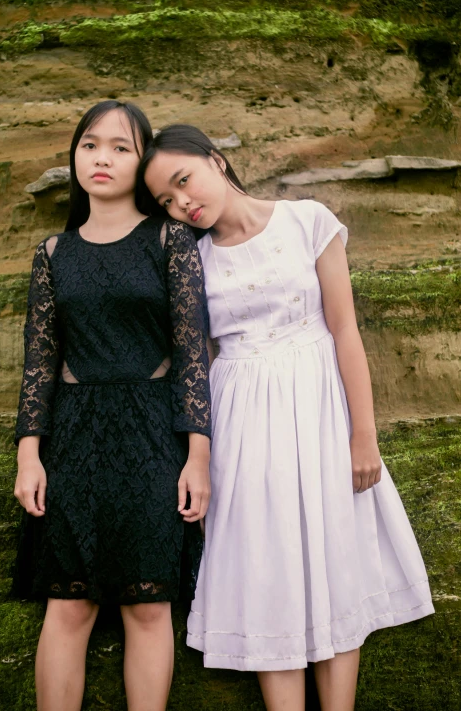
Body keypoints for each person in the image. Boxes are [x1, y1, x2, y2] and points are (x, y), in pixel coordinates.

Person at [137, 124, 434, 711]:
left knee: (333, 555)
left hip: (318, 403)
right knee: (264, 560)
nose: (182, 203)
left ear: (215, 160)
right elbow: (196, 359)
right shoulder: (190, 260)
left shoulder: (307, 220)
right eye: (167, 202)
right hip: (242, 418)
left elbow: (345, 331)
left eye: (183, 182)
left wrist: (363, 434)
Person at [12, 103, 211, 711]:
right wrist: (29, 456)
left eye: (121, 148)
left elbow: (192, 354)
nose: (102, 157)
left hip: (153, 436)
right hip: (71, 440)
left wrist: (197, 455)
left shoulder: (169, 239)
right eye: (91, 145)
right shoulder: (53, 253)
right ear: (75, 157)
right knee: (68, 604)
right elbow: (39, 364)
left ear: (142, 160)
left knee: (148, 604)